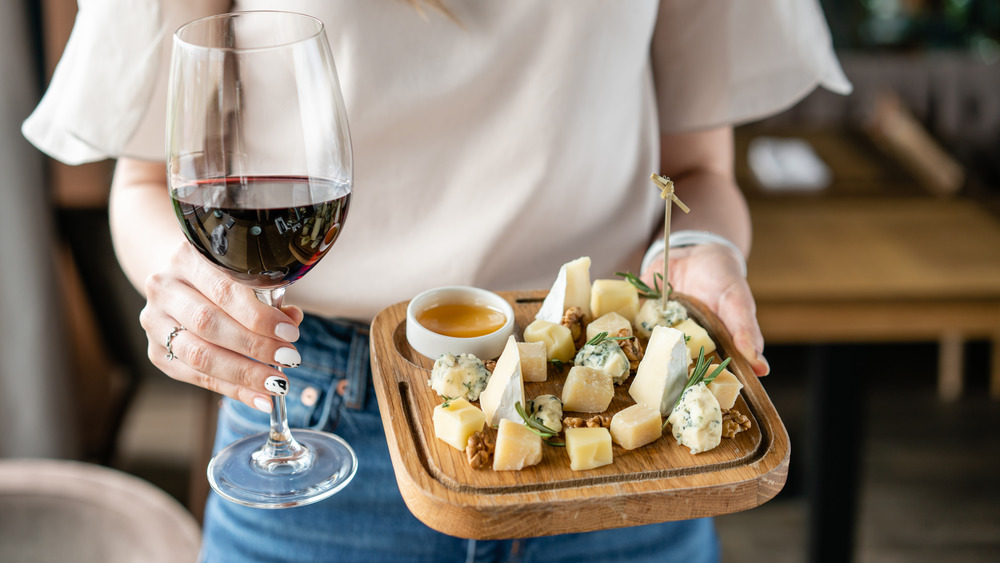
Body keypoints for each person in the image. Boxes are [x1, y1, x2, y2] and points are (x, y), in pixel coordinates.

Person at [25, 1, 851, 561]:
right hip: (322, 433)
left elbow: (696, 169)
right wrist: (180, 286)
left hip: (621, 448)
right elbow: (144, 187)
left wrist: (699, 249)